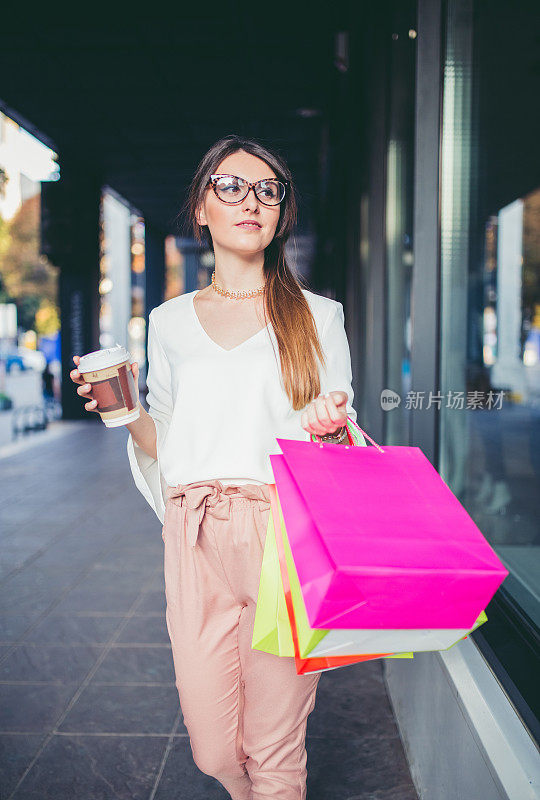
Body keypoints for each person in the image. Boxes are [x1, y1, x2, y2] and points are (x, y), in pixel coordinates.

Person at [70, 135, 362, 800]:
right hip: (193, 532)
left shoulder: (319, 317)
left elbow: (340, 434)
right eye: (230, 186)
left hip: (282, 532)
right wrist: (118, 410)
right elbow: (165, 436)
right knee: (212, 750)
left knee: (273, 749)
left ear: (282, 213)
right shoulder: (169, 322)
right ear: (201, 208)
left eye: (268, 190)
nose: (251, 200)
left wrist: (329, 424)